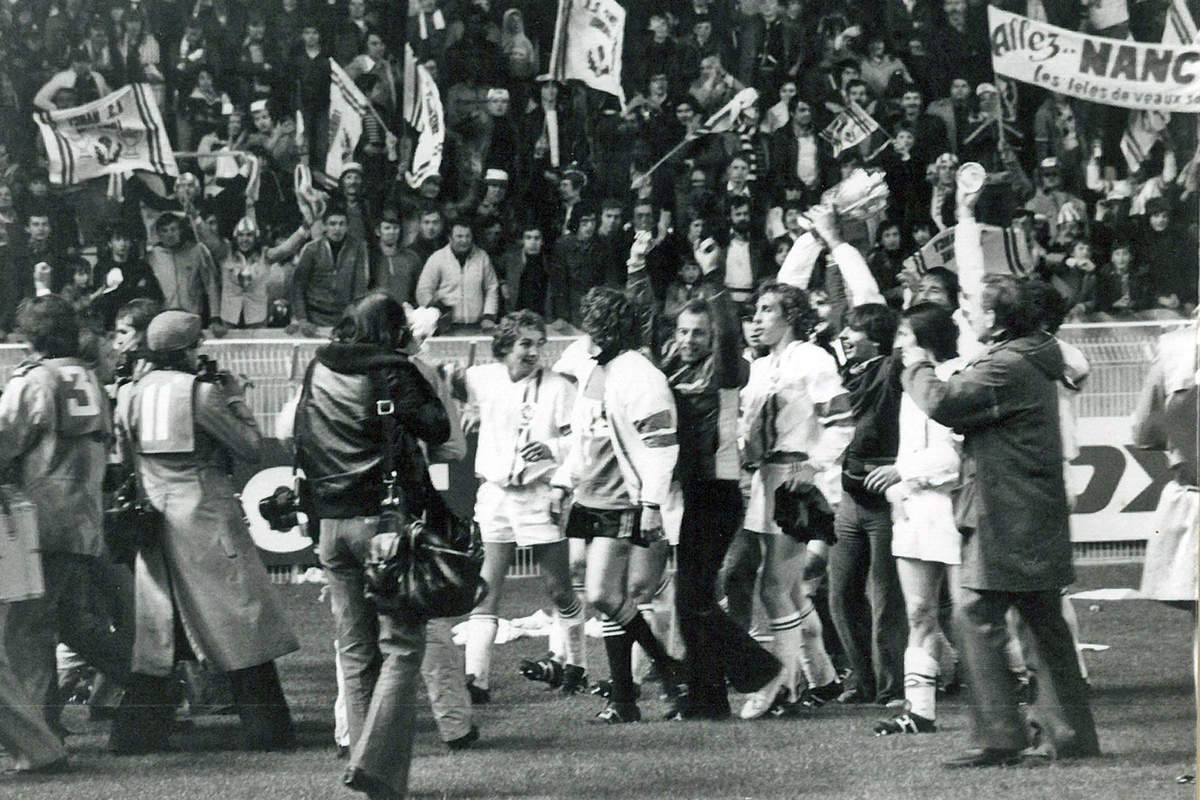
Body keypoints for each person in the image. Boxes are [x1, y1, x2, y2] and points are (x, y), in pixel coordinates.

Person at [900, 276, 1100, 767]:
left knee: (975, 615)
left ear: (995, 317)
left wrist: (917, 362)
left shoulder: (1005, 365)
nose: (964, 312)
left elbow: (943, 403)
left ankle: (1000, 737)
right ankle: (1067, 735)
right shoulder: (1033, 357)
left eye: (973, 305)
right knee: (1042, 621)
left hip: (1003, 510)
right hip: (1028, 507)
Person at [109, 310, 298, 754]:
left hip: (156, 522)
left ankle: (135, 732)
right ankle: (267, 728)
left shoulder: (130, 393)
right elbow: (250, 447)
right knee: (242, 625)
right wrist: (235, 398)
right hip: (207, 520)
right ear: (188, 350)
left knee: (158, 633)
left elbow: (126, 457)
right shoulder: (202, 393)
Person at [293, 293, 451, 799]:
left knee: (355, 651)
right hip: (383, 523)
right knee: (402, 646)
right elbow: (437, 425)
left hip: (331, 525)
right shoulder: (391, 371)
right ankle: (375, 768)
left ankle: (366, 771)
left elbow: (302, 436)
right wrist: (421, 366)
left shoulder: (318, 367)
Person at [0, 296, 130, 772]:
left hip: (37, 520)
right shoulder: (89, 377)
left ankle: (40, 738)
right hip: (83, 517)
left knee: (25, 632)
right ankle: (151, 686)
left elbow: (3, 440)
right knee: (72, 623)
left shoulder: (33, 381)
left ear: (29, 336)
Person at [551, 286, 684, 724]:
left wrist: (651, 504)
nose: (587, 335)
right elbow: (583, 440)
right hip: (590, 494)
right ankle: (625, 698)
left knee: (603, 593)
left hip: (621, 497)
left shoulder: (641, 375)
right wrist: (562, 482)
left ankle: (668, 668)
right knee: (606, 595)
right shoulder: (594, 368)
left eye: (594, 327)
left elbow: (662, 447)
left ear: (609, 330)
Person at [662, 272, 783, 719]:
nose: (689, 340)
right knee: (691, 601)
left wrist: (715, 282)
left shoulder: (725, 370)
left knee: (694, 600)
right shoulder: (674, 367)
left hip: (718, 491)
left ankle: (761, 670)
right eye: (683, 331)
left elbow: (730, 338)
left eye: (699, 333)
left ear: (713, 338)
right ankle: (707, 697)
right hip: (692, 492)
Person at [738, 280, 852, 718]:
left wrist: (814, 464)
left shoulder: (812, 358)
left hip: (795, 479)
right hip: (767, 477)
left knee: (773, 586)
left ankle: (780, 687)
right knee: (789, 590)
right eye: (756, 311)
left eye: (767, 310)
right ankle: (821, 677)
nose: (758, 319)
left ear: (791, 316)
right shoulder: (762, 364)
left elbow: (842, 420)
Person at [460, 311, 586, 701]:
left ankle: (574, 665)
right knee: (486, 587)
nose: (533, 352)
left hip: (538, 495)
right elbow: (439, 380)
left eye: (538, 343)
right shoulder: (482, 377)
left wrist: (552, 448)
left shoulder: (558, 387)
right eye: (525, 343)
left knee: (558, 588)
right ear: (505, 346)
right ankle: (476, 680)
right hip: (495, 494)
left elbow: (580, 441)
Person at [873, 302, 965, 735]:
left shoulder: (958, 377)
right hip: (916, 508)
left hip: (954, 507)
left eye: (904, 336)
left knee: (969, 612)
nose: (897, 345)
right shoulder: (909, 383)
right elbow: (908, 450)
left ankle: (1013, 686)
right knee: (918, 610)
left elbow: (956, 458)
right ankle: (920, 711)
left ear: (926, 338)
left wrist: (903, 472)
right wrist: (898, 492)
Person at [290, 204, 371, 334]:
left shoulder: (358, 248)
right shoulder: (311, 249)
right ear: (324, 226)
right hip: (314, 317)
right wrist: (302, 319)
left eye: (341, 224)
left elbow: (360, 287)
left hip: (344, 317)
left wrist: (354, 317)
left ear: (347, 226)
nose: (337, 228)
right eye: (332, 224)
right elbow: (298, 286)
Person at [416, 217, 500, 329]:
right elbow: (423, 291)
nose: (464, 240)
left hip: (477, 325)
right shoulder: (437, 258)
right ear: (450, 238)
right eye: (459, 236)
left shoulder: (482, 257)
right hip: (445, 327)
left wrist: (488, 316)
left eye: (467, 236)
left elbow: (491, 287)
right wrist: (437, 311)